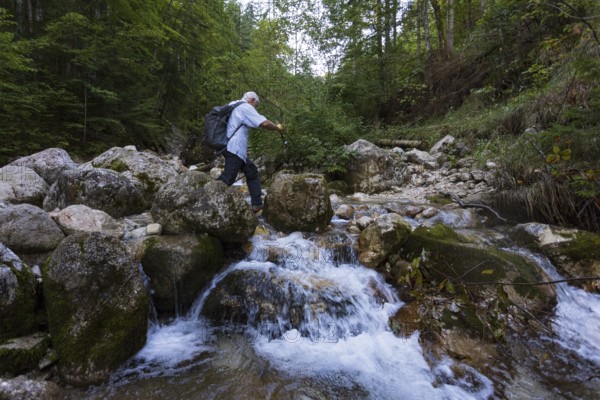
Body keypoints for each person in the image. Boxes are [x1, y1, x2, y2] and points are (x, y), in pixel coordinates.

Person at [217, 91, 284, 213]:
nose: (255, 108)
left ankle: (256, 204)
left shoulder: (234, 104)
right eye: (256, 105)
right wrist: (277, 127)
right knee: (228, 178)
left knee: (251, 171)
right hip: (235, 148)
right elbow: (263, 123)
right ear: (252, 100)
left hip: (230, 147)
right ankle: (207, 196)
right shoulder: (245, 107)